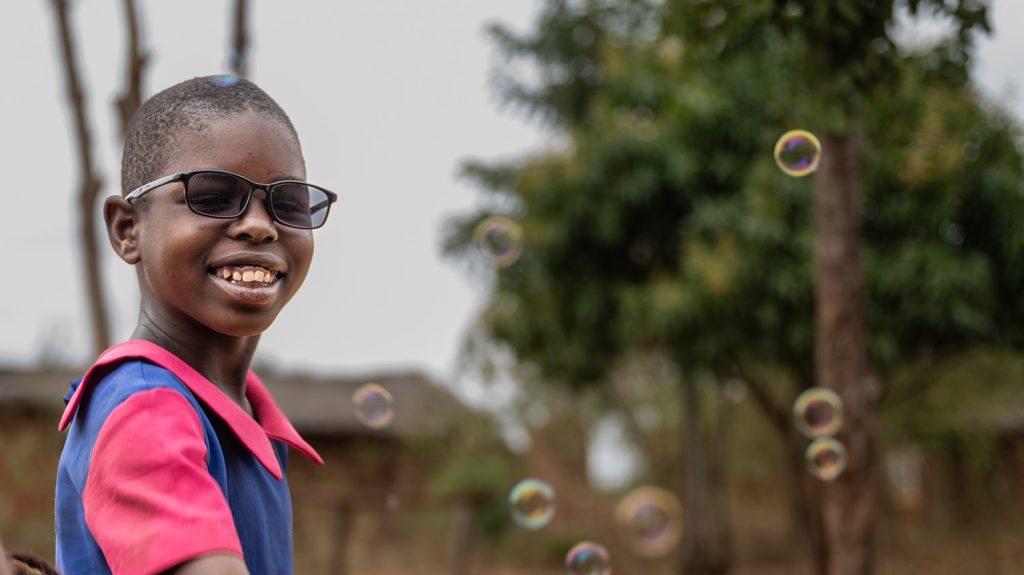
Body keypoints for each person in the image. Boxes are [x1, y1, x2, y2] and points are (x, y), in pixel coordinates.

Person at [54, 76, 335, 575]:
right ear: (127, 229)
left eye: (288, 204)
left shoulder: (243, 416)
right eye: (213, 196)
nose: (259, 225)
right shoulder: (146, 409)